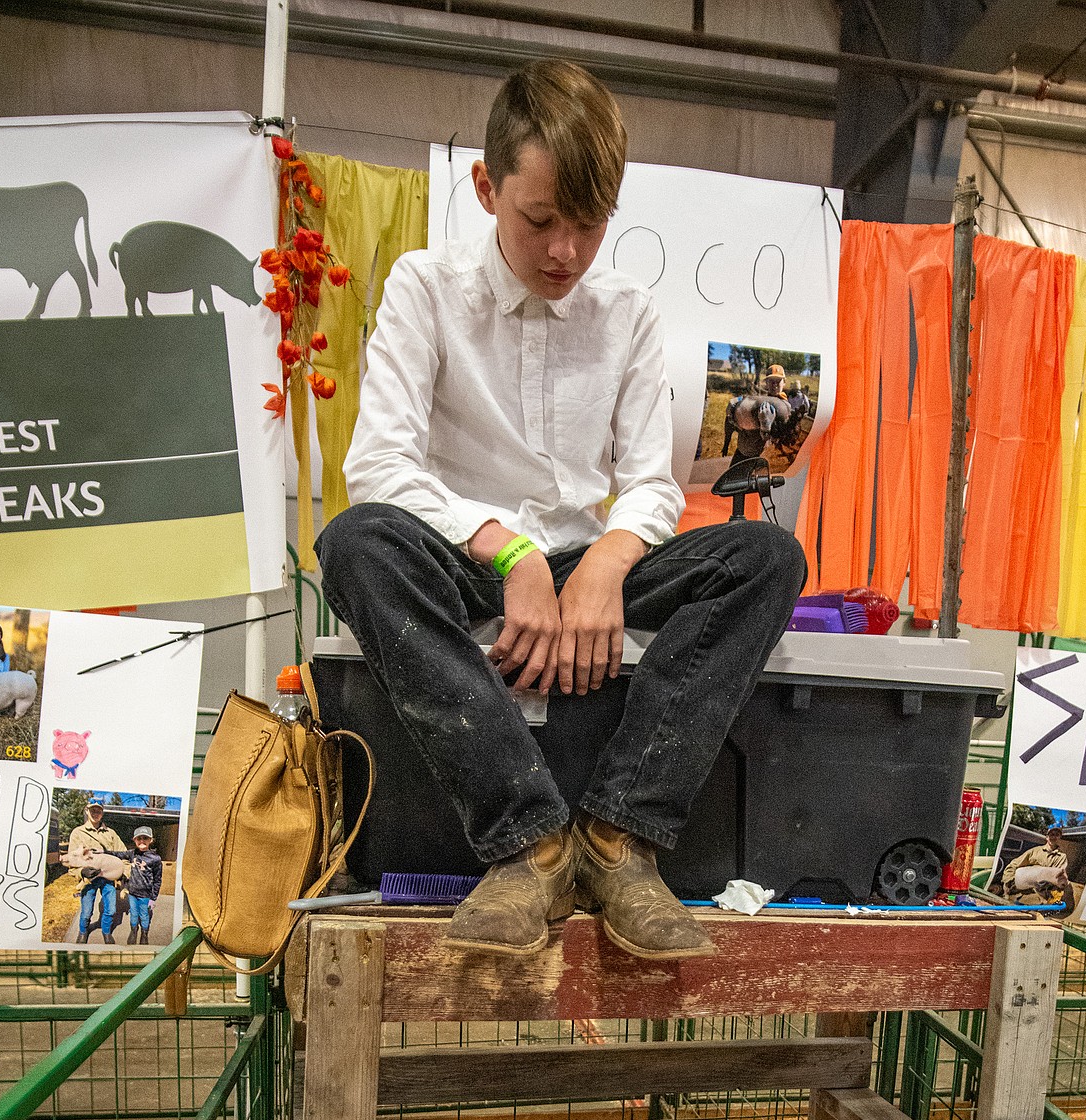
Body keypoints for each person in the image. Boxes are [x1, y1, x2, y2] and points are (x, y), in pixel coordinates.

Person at [320, 59, 806, 957]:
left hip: (586, 566)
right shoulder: (424, 288)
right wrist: (512, 555)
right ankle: (531, 843)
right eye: (540, 220)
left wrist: (610, 564)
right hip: (464, 562)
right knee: (354, 543)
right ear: (485, 187)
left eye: (589, 226)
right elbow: (380, 465)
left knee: (768, 559)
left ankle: (619, 840)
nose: (565, 254)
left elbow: (653, 483)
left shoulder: (627, 312)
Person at [66, 797, 126, 944]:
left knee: (111, 910)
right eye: (92, 810)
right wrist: (82, 872)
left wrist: (123, 873)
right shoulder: (78, 833)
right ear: (87, 811)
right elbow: (72, 861)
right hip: (89, 879)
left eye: (98, 810)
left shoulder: (110, 833)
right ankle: (83, 931)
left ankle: (106, 932)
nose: (95, 813)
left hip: (107, 876)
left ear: (102, 813)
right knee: (86, 912)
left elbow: (123, 854)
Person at [996, 825, 1069, 901]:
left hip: (1043, 896)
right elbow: (1014, 864)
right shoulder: (1034, 851)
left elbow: (1060, 877)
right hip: (1023, 893)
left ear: (1060, 838)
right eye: (1052, 834)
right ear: (1047, 837)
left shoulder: (1062, 857)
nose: (1054, 837)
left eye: (1057, 835)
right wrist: (1009, 881)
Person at [125, 825, 162, 945]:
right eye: (139, 838)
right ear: (134, 840)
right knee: (134, 914)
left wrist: (153, 898)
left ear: (151, 840)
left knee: (144, 915)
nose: (142, 841)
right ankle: (133, 930)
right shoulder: (132, 854)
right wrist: (101, 852)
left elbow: (157, 880)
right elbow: (117, 854)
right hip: (132, 893)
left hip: (145, 895)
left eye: (145, 838)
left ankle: (144, 933)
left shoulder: (155, 859)